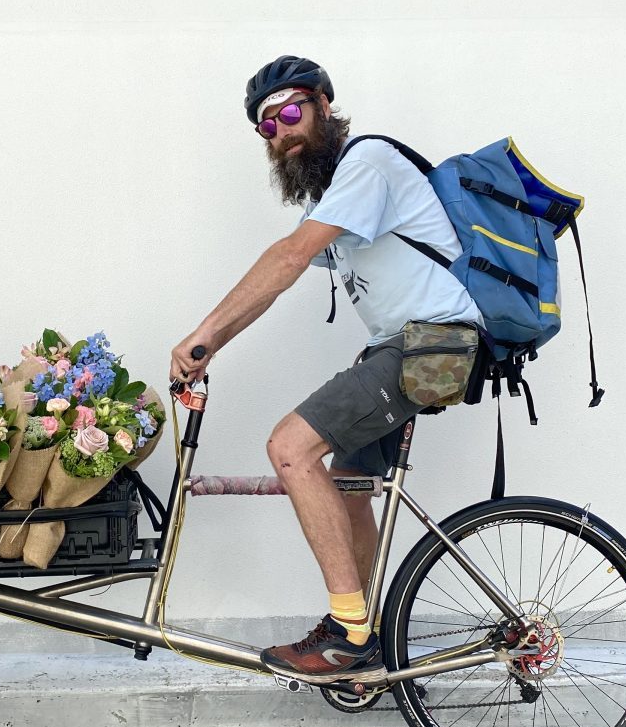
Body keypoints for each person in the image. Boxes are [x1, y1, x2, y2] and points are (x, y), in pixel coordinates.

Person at [169, 55, 482, 685]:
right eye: (267, 128)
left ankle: (348, 634)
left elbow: (287, 258)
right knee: (347, 482)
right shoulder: (342, 191)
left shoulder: (367, 163)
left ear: (323, 105)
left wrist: (201, 336)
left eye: (289, 112)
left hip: (434, 345)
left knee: (290, 447)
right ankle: (357, 623)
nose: (281, 132)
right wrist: (211, 347)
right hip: (411, 346)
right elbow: (275, 284)